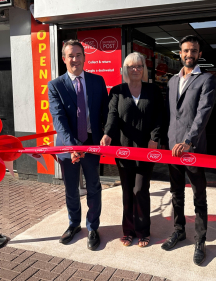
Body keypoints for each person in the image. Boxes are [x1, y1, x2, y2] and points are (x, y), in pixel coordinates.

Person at [48, 40, 109, 250]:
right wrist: (73, 146)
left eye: (78, 55)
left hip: (92, 144)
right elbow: (59, 119)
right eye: (70, 56)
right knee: (71, 189)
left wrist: (107, 133)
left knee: (94, 187)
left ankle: (93, 227)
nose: (75, 59)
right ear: (64, 59)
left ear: (84, 57)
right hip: (67, 147)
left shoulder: (97, 81)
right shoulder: (55, 85)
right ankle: (74, 224)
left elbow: (106, 112)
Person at [161, 35, 216, 265]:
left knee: (198, 196)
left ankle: (200, 240)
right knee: (176, 194)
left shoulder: (206, 80)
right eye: (185, 51)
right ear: (179, 53)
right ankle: (179, 230)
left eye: (193, 51)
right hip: (173, 149)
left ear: (199, 54)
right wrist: (168, 140)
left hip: (193, 149)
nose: (189, 55)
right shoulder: (172, 81)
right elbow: (172, 116)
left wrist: (188, 141)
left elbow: (202, 115)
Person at [100, 52, 164, 248]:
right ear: (125, 70)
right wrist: (107, 134)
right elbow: (112, 115)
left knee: (141, 190)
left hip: (145, 149)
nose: (135, 69)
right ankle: (128, 231)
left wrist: (155, 138)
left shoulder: (153, 90)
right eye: (131, 67)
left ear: (144, 69)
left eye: (139, 66)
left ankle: (143, 230)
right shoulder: (117, 91)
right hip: (123, 150)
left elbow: (160, 116)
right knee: (128, 191)